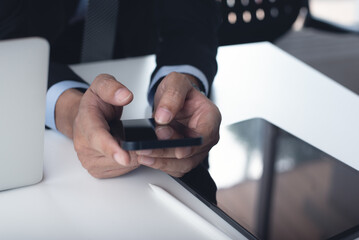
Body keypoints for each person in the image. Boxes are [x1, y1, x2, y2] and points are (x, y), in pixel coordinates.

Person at [0, 0, 222, 179]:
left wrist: (184, 83)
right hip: (40, 58)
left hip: (132, 53)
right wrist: (73, 110)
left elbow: (192, 20)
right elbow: (8, 50)